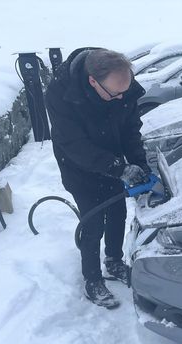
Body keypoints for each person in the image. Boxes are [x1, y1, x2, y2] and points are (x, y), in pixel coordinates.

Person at [46, 47, 149, 309]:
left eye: (125, 90)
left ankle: (113, 260)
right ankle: (92, 279)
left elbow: (130, 129)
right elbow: (73, 143)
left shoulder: (119, 84)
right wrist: (117, 168)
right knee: (92, 223)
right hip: (79, 166)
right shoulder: (61, 94)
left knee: (117, 213)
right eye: (116, 93)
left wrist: (137, 163)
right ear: (93, 81)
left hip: (112, 161)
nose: (122, 97)